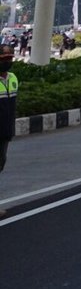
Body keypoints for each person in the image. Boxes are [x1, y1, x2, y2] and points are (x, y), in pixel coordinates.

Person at [0, 46, 16, 219]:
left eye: (9, 58)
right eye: (3, 59)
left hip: (5, 132)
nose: (7, 62)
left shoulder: (12, 79)